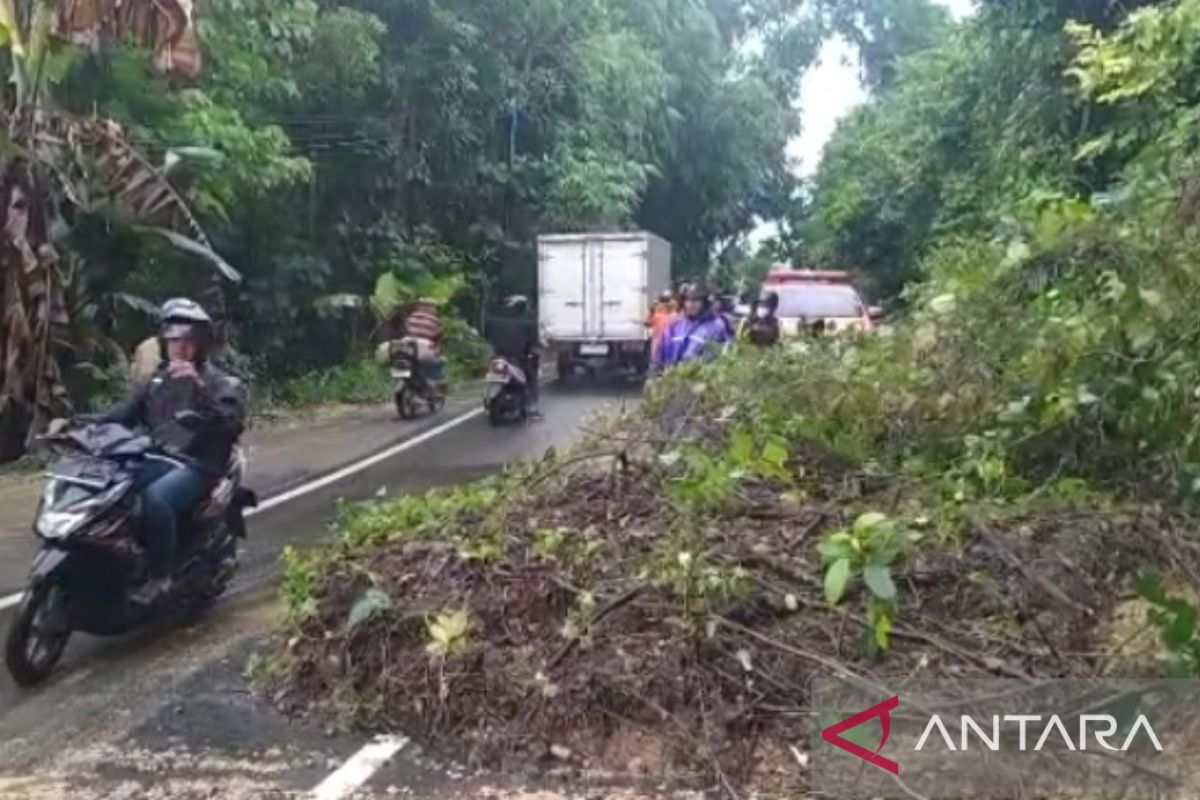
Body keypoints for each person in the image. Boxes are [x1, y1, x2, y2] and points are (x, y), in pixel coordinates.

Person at [94, 298, 246, 605]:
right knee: (107, 488)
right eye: (174, 340)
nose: (181, 348)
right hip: (156, 456)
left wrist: (200, 387)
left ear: (201, 344)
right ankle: (119, 562)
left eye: (189, 341)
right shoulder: (158, 380)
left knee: (156, 499)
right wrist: (77, 425)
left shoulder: (220, 382)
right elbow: (125, 413)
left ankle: (160, 576)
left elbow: (230, 421)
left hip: (199, 465)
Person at [484, 294, 541, 416]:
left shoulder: (497, 321)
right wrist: (534, 351)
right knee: (531, 377)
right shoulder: (528, 323)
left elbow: (488, 336)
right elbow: (534, 342)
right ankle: (532, 404)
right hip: (519, 358)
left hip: (499, 357)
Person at [653, 283, 731, 369]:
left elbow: (722, 356)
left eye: (696, 301)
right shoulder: (674, 324)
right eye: (688, 300)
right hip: (671, 378)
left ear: (705, 303)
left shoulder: (716, 326)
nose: (690, 305)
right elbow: (660, 353)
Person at [646, 290, 677, 364]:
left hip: (662, 340)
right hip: (662, 340)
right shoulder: (672, 316)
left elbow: (648, 322)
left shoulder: (660, 314)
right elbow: (648, 321)